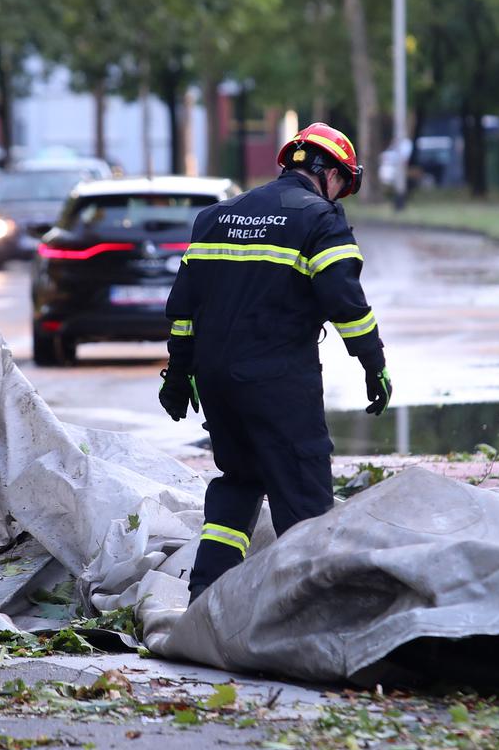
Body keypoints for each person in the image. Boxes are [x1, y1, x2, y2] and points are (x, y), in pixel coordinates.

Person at [160, 122, 391, 601]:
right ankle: (308, 606)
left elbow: (183, 308)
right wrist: (374, 363)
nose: (339, 195)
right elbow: (345, 302)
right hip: (280, 381)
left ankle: (206, 597)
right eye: (343, 184)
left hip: (217, 380)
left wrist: (180, 375)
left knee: (239, 480)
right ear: (327, 172)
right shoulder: (319, 219)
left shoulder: (217, 216)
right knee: (302, 489)